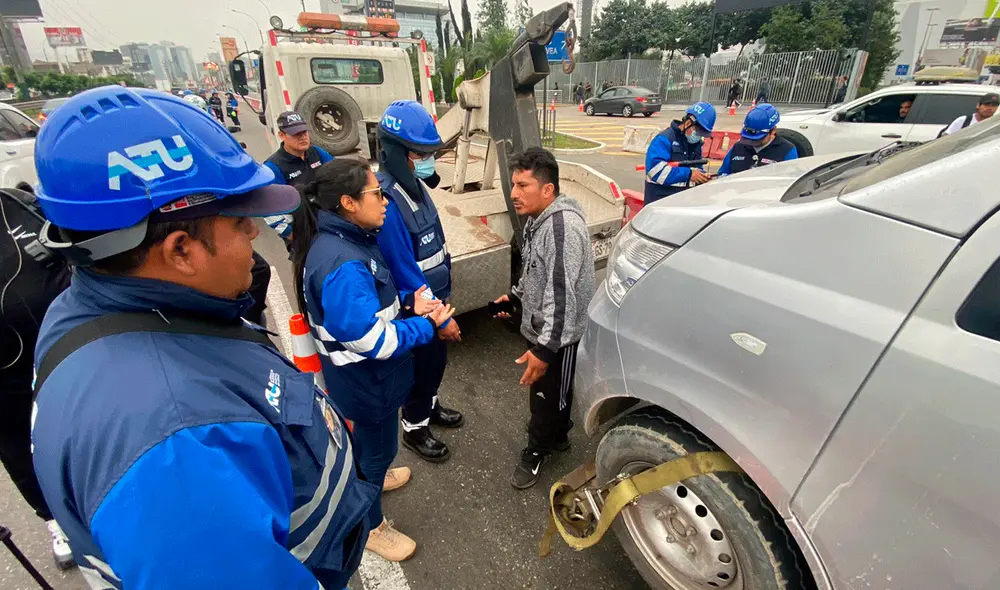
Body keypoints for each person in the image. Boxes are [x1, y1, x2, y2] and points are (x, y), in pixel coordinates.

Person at [30, 86, 377, 589]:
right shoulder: (176, 455)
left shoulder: (100, 308)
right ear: (180, 250)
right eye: (239, 223)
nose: (254, 235)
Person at [290, 158, 455, 561]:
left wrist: (405, 301)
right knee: (376, 452)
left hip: (370, 381)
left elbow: (365, 309)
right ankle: (371, 526)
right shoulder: (343, 261)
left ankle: (371, 478)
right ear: (347, 202)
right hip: (368, 383)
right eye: (375, 193)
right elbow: (371, 338)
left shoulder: (351, 241)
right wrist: (427, 326)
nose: (384, 201)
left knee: (371, 448)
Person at [491, 148, 595, 489]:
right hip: (543, 328)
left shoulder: (561, 230)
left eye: (522, 185)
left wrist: (546, 350)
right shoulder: (541, 219)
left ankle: (538, 449)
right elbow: (537, 268)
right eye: (513, 185)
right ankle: (556, 432)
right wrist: (517, 295)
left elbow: (561, 296)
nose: (513, 193)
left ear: (547, 189)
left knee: (549, 396)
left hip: (558, 337)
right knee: (546, 395)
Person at [374, 100, 465, 463]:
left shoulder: (414, 186)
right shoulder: (388, 202)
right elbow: (404, 271)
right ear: (397, 152)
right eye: (418, 153)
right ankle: (415, 426)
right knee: (423, 366)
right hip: (419, 308)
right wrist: (440, 317)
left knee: (436, 363)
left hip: (435, 299)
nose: (426, 160)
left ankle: (430, 404)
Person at [0, 188, 74, 570]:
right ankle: (55, 518)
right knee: (16, 446)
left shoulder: (18, 203)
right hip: (6, 378)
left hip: (71, 346)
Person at [263, 110, 335, 242]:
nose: (302, 137)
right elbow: (269, 210)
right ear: (281, 135)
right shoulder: (273, 167)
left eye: (304, 132)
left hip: (328, 222)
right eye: (296, 134)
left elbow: (338, 173)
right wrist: (293, 235)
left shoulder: (317, 153)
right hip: (302, 231)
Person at [643, 101, 716, 205]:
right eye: (698, 132)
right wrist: (689, 174)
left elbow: (696, 169)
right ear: (688, 123)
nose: (699, 136)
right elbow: (656, 171)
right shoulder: (664, 139)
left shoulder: (696, 145)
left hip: (681, 206)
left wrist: (702, 176)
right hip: (659, 205)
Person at [718, 104, 798, 177]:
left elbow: (790, 182)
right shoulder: (738, 147)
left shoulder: (787, 151)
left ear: (773, 131)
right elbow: (722, 173)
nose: (751, 142)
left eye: (757, 139)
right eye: (749, 138)